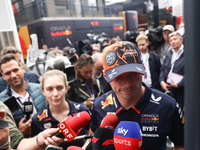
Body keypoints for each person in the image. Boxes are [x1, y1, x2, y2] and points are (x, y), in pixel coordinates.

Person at [90, 41, 184, 150]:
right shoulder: (98, 106)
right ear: (105, 76)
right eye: (118, 77)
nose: (128, 84)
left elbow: (181, 145)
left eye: (133, 74)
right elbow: (93, 139)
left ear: (143, 69)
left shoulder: (168, 106)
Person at [31, 70, 90, 149]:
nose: (55, 94)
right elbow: (36, 146)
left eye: (59, 88)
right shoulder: (37, 119)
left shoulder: (82, 110)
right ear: (43, 91)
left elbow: (91, 136)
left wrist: (83, 148)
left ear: (66, 88)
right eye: (49, 89)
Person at [0, 54, 45, 136]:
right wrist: (19, 132)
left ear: (22, 69)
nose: (13, 75)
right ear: (3, 76)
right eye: (8, 73)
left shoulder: (41, 89)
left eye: (15, 70)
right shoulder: (1, 102)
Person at [159, 31, 185, 109]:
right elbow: (163, 69)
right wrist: (162, 82)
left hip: (182, 90)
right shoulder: (169, 53)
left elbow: (191, 73)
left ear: (181, 40)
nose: (173, 42)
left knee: (180, 111)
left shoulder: (187, 53)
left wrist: (179, 84)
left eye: (175, 39)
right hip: (168, 88)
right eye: (171, 40)